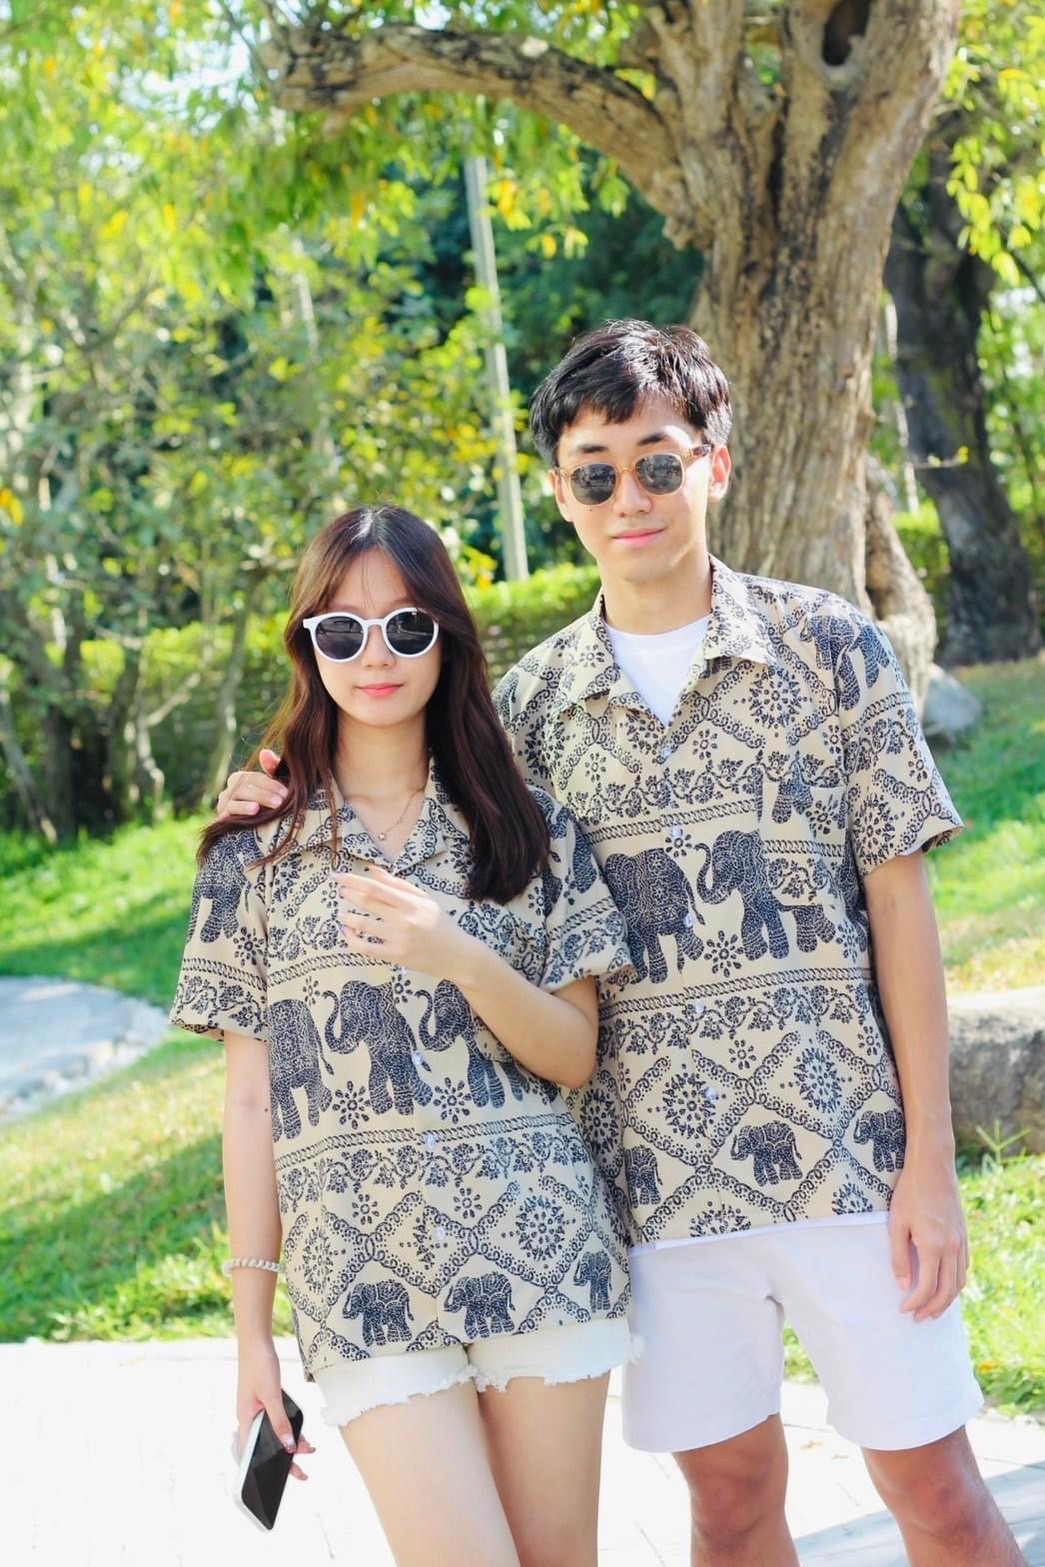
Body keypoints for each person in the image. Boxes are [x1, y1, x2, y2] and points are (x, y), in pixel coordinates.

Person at [218, 322, 1023, 1567]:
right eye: (594, 474)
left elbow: (903, 913)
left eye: (656, 462)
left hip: (852, 1164)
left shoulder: (831, 649)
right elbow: (395, 748)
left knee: (943, 1501)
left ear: (714, 464)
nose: (628, 498)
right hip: (652, 1194)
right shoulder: (530, 712)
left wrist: (930, 1162)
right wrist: (270, 792)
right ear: (560, 494)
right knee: (731, 1510)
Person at [173, 504, 636, 1567]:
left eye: (405, 626)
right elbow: (251, 1101)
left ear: (447, 636)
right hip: (360, 1277)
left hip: (537, 1250)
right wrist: (250, 1333)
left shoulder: (529, 828)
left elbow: (574, 1053)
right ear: (308, 645)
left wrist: (459, 953)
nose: (374, 655)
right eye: (342, 630)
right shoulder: (251, 854)